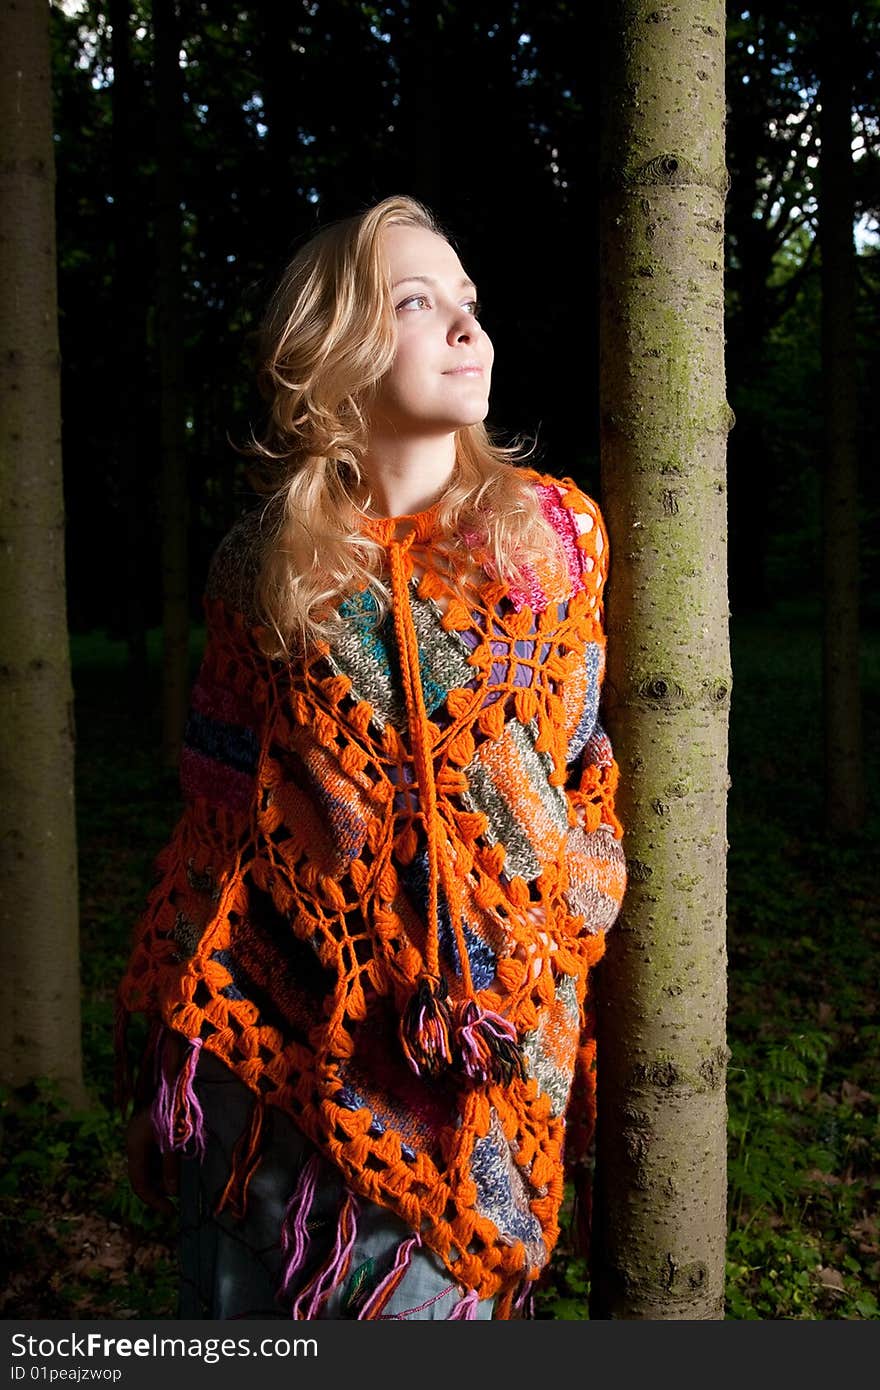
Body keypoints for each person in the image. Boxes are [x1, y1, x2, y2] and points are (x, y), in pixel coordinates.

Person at [116, 193, 628, 1321]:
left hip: (469, 1051)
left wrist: (525, 931)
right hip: (272, 1066)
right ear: (331, 348)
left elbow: (567, 778)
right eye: (416, 301)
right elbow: (218, 807)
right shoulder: (264, 565)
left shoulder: (549, 539)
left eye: (469, 304)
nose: (465, 328)